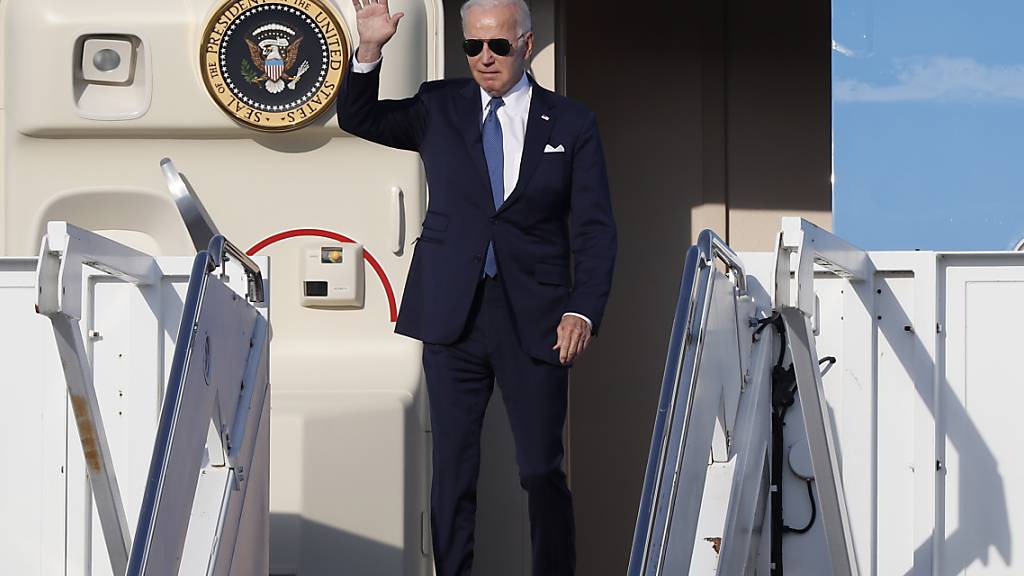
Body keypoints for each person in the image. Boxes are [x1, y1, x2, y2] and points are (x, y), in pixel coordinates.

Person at [337, 0, 616, 573]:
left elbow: (594, 230)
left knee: (541, 469)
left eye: (498, 46)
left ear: (528, 45)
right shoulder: (438, 106)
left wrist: (583, 311)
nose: (485, 59)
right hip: (451, 314)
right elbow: (358, 118)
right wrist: (369, 49)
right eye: (473, 47)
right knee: (453, 471)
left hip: (536, 317)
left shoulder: (571, 123)